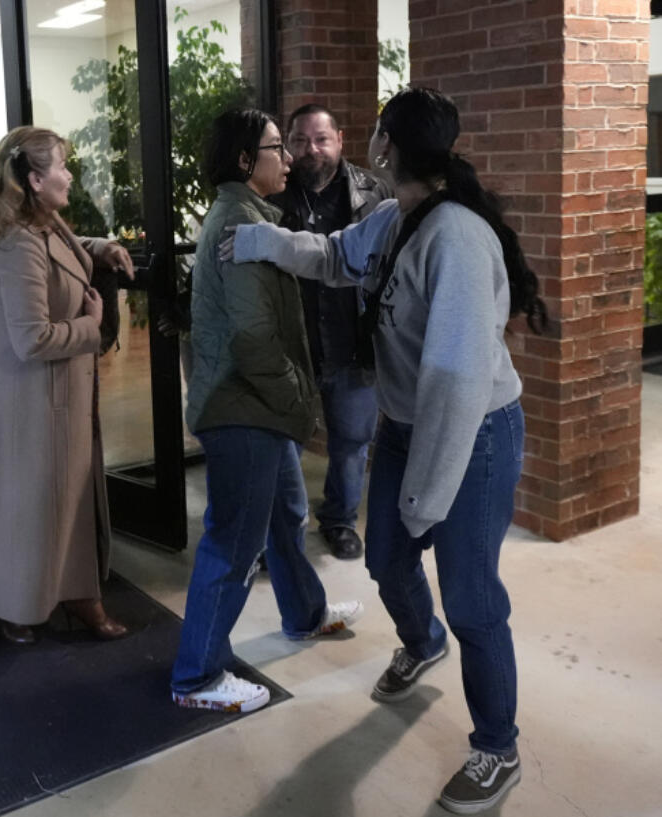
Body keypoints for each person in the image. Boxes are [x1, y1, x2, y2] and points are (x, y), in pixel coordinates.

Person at [223, 87, 547, 814]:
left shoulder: (455, 237)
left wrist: (427, 496)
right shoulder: (394, 219)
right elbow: (335, 256)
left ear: (385, 146)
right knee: (386, 558)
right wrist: (262, 241)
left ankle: (498, 747)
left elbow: (458, 381)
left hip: (475, 432)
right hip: (407, 423)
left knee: (472, 595)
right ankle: (421, 639)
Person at [170, 109, 364, 715]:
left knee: (286, 515)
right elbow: (254, 342)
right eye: (277, 147)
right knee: (232, 543)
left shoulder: (251, 216)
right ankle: (197, 676)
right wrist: (298, 401)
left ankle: (304, 614)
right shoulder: (238, 225)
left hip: (257, 404)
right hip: (245, 408)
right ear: (243, 161)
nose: (289, 157)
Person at [0, 126, 134, 644]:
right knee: (29, 507)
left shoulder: (42, 222)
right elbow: (32, 338)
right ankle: (12, 601)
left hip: (60, 394)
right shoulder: (14, 243)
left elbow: (63, 250)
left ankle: (77, 593)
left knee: (68, 500)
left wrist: (100, 248)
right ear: (34, 179)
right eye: (61, 165)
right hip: (32, 400)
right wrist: (93, 326)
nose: (70, 173)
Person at [270, 103, 391, 560]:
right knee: (285, 446)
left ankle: (339, 521)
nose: (310, 149)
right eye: (299, 140)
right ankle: (284, 525)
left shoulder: (374, 193)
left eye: (320, 139)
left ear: (340, 140)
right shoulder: (273, 195)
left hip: (351, 341)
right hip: (292, 344)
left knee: (351, 442)